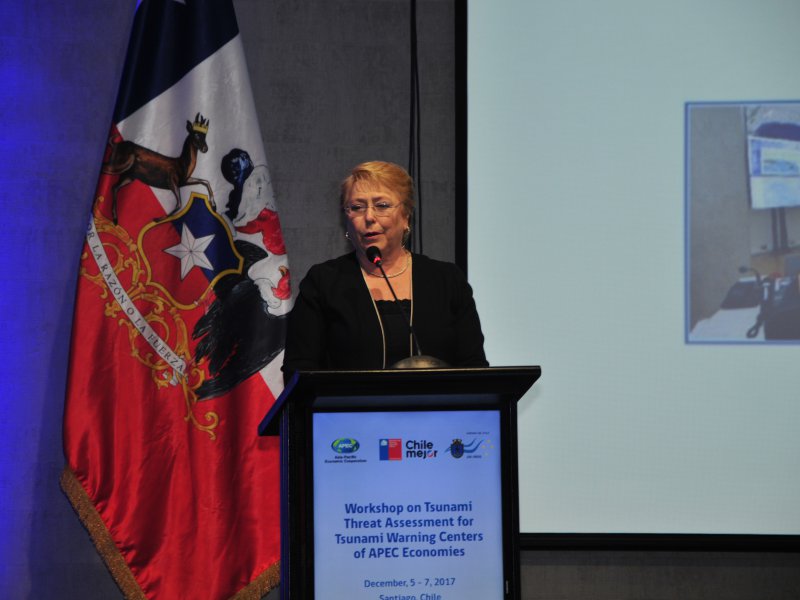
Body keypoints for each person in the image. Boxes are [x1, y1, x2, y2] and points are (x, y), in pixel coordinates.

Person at [282, 161, 488, 378]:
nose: (369, 217)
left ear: (406, 216)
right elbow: (299, 373)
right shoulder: (324, 282)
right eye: (357, 207)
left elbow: (474, 367)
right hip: (350, 411)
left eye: (381, 206)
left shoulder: (446, 280)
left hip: (438, 411)